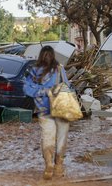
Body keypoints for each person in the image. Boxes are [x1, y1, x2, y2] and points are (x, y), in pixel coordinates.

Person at [23, 45, 70, 180]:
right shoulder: (59, 69)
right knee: (61, 139)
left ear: (41, 56)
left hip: (43, 110)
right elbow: (67, 86)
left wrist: (42, 92)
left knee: (47, 137)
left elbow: (26, 89)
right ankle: (59, 167)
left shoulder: (34, 70)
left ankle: (49, 164)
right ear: (53, 55)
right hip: (61, 109)